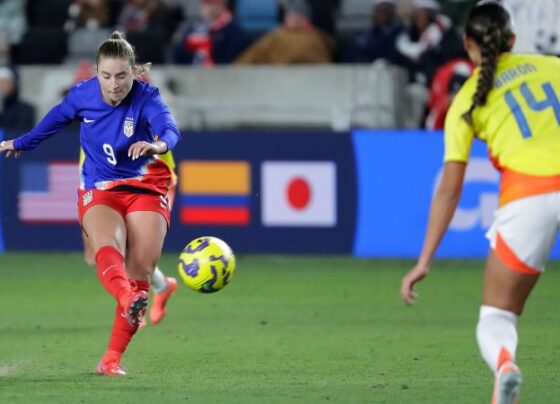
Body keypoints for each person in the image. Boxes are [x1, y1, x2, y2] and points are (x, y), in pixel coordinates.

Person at [400, 2, 560, 403]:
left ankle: (505, 365)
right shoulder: (552, 67)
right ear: (512, 39)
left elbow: (450, 189)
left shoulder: (467, 101)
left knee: (497, 317)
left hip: (530, 196)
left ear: (467, 43)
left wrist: (424, 260)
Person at [0, 31, 181, 376]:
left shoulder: (148, 98)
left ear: (134, 73)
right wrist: (21, 142)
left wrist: (158, 146)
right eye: (106, 76)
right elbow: (53, 121)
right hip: (100, 185)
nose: (113, 84)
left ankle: (110, 359)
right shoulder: (82, 95)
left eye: (122, 76)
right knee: (104, 245)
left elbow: (170, 130)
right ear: (96, 73)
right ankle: (129, 300)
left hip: (147, 183)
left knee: (139, 268)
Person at [235, 0, 334, 65]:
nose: (295, 19)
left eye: (299, 15)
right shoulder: (275, 36)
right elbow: (251, 56)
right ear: (286, 17)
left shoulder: (317, 37)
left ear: (306, 18)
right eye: (292, 15)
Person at [173, 0, 247, 66]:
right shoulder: (194, 28)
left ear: (224, 5)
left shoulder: (233, 30)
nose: (211, 8)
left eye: (215, 4)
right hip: (192, 75)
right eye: (207, 4)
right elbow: (180, 54)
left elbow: (231, 58)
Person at [0, 65, 35, 132]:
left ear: (13, 85)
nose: (1, 87)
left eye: (4, 83)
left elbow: (21, 132)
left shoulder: (25, 109)